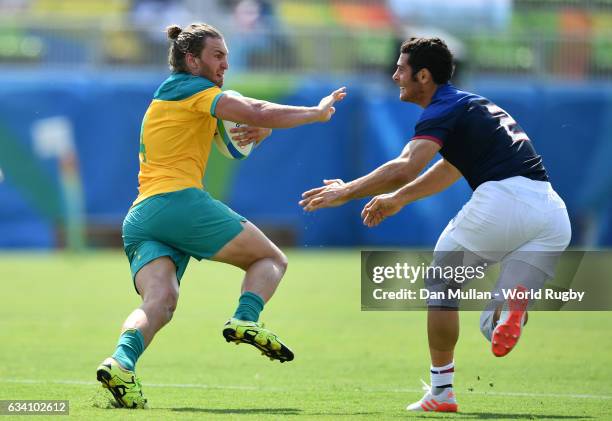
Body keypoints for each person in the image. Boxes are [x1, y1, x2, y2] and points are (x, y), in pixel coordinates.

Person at [300, 38, 570, 413]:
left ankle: (442, 392)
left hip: (504, 201)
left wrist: (347, 192)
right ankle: (510, 306)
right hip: (553, 216)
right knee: (491, 328)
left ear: (423, 75)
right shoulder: (470, 103)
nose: (395, 75)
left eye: (401, 68)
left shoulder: (442, 107)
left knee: (442, 283)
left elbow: (405, 166)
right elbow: (450, 168)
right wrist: (399, 199)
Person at [96, 22, 346, 409]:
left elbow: (238, 132)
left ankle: (120, 363)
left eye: (227, 56)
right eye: (217, 55)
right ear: (191, 60)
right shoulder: (195, 89)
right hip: (178, 202)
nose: (225, 64)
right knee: (270, 258)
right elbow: (255, 108)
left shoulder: (173, 97)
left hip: (143, 215)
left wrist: (262, 130)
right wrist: (315, 112)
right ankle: (246, 318)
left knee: (159, 302)